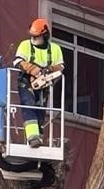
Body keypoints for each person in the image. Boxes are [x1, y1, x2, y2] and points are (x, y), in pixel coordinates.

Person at [12, 18, 65, 148]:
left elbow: (60, 67)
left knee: (40, 110)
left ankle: (38, 138)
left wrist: (49, 70)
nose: (33, 39)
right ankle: (32, 137)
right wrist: (32, 69)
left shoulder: (55, 49)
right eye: (32, 36)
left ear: (45, 35)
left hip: (44, 84)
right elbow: (18, 61)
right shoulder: (25, 45)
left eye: (36, 37)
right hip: (26, 81)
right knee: (28, 104)